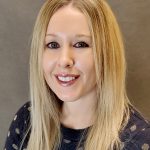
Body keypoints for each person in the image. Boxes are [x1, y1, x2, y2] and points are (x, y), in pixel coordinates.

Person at [4, 0, 150, 150]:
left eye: (80, 44)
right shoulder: (27, 120)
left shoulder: (139, 141)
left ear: (107, 53)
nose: (64, 60)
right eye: (53, 45)